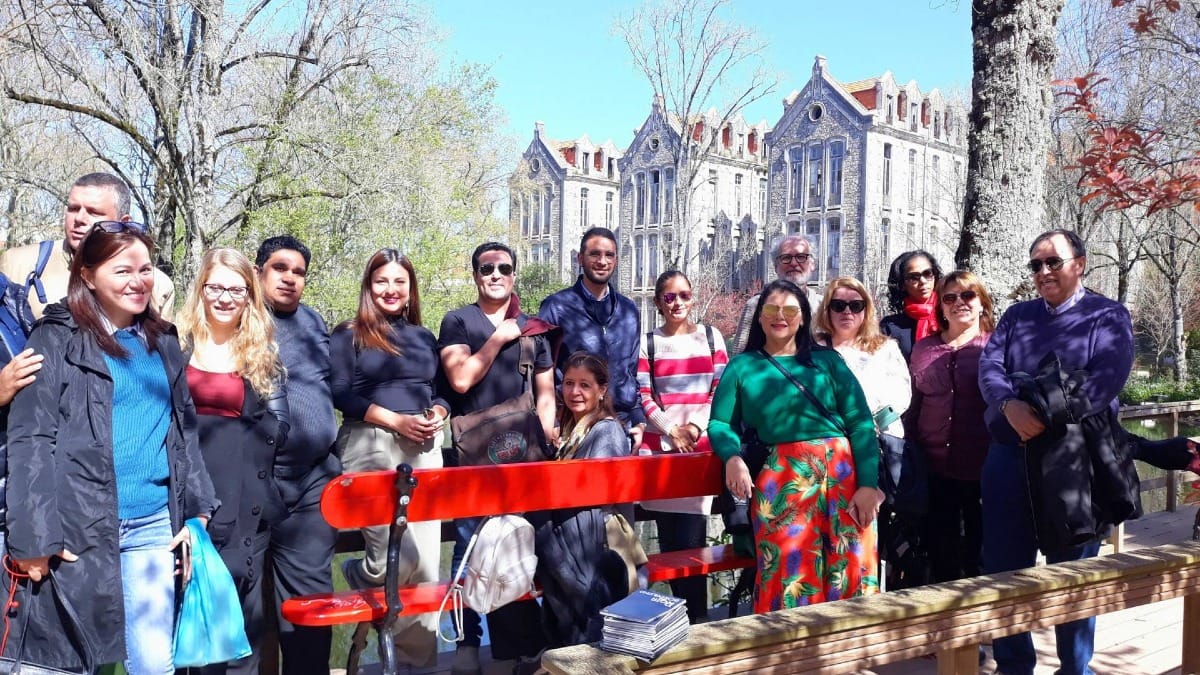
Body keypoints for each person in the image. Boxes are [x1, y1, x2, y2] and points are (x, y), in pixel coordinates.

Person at [4, 221, 216, 672]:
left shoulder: (164, 341)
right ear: (88, 275)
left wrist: (197, 510)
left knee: (154, 665)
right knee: (64, 662)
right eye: (122, 271)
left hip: (151, 527)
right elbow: (32, 437)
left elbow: (183, 431)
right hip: (76, 528)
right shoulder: (55, 337)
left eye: (145, 269)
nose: (138, 281)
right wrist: (34, 536)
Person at [978, 229, 1133, 675]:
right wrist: (1008, 405)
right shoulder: (1017, 316)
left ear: (1079, 264)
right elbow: (990, 366)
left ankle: (1074, 668)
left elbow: (1104, 382)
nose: (1043, 272)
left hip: (1074, 464)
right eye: (1036, 265)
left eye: (1053, 262)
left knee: (1073, 578)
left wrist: (1040, 414)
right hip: (1010, 457)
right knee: (1005, 572)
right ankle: (1013, 667)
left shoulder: (1108, 316)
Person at [709, 279, 880, 613]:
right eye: (772, 309)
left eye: (790, 310)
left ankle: (848, 646)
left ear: (803, 318)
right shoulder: (743, 367)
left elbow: (860, 422)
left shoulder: (828, 362)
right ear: (759, 317)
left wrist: (868, 485)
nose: (780, 316)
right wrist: (731, 457)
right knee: (787, 575)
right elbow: (720, 423)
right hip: (784, 482)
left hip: (844, 478)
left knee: (850, 571)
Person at [437, 242, 555, 673]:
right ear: (475, 275)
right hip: (473, 459)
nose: (495, 274)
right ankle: (466, 642)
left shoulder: (533, 329)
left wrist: (547, 439)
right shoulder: (458, 321)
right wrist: (499, 338)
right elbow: (460, 379)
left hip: (523, 457)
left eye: (504, 268)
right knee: (468, 547)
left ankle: (521, 644)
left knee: (520, 545)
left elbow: (546, 394)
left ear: (513, 275)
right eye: (487, 268)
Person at [331, 248, 448, 669]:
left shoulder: (424, 336)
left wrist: (438, 412)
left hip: (424, 448)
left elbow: (440, 391)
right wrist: (396, 420)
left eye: (400, 281)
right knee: (397, 559)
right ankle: (360, 576)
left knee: (427, 567)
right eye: (382, 281)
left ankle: (416, 665)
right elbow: (340, 393)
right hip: (371, 444)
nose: (391, 289)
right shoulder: (348, 334)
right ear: (369, 286)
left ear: (411, 289)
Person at [177, 248, 289, 674]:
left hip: (241, 501)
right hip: (181, 498)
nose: (225, 298)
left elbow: (279, 424)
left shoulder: (261, 352)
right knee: (181, 612)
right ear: (201, 288)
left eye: (236, 290)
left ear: (249, 295)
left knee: (237, 624)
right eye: (216, 287)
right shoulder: (175, 343)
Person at [255, 235, 340, 674]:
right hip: (253, 485)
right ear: (258, 273)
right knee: (245, 609)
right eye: (280, 268)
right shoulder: (237, 319)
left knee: (311, 608)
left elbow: (336, 386)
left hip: (311, 486)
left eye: (299, 272)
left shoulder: (313, 322)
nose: (290, 278)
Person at [635, 270, 728, 623]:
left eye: (684, 295)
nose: (677, 303)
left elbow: (720, 390)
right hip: (661, 453)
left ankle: (697, 624)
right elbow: (643, 393)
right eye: (669, 297)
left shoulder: (711, 337)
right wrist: (671, 429)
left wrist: (693, 427)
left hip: (698, 453)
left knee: (692, 548)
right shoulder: (649, 342)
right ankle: (679, 625)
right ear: (659, 302)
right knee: (669, 546)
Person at [813, 276, 915, 590]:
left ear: (866, 310)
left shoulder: (884, 348)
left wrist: (867, 420)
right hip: (827, 452)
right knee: (829, 531)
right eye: (839, 305)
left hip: (876, 448)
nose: (847, 312)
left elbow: (901, 395)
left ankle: (868, 595)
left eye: (855, 306)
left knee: (871, 529)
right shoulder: (813, 349)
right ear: (827, 309)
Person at [537, 352, 635, 648]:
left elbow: (594, 494)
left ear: (602, 390)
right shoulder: (573, 431)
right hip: (576, 538)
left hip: (596, 543)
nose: (574, 392)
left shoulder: (606, 431)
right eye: (569, 383)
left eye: (585, 385)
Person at [907, 271, 995, 584]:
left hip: (983, 470)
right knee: (940, 557)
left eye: (968, 295)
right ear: (941, 307)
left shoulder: (996, 346)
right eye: (950, 297)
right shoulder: (924, 349)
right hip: (933, 470)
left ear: (982, 303)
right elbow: (913, 406)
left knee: (981, 558)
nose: (959, 302)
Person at [0, 173, 174, 319]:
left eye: (93, 212)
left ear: (122, 222)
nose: (79, 219)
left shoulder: (156, 287)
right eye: (73, 209)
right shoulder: (19, 264)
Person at [539, 227, 645, 448]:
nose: (602, 261)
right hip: (572, 424)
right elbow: (542, 371)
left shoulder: (628, 310)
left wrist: (639, 418)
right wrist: (552, 418)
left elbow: (631, 371)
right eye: (594, 254)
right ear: (580, 259)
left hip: (621, 422)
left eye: (609, 255)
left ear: (616, 260)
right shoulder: (556, 307)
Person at [731, 234, 819, 355]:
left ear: (813, 264)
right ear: (775, 266)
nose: (794, 263)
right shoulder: (755, 305)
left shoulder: (826, 306)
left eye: (801, 257)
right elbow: (739, 354)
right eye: (786, 257)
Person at [879, 250, 944, 361]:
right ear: (902, 284)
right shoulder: (890, 326)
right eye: (914, 277)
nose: (923, 281)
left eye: (927, 273)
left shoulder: (948, 316)